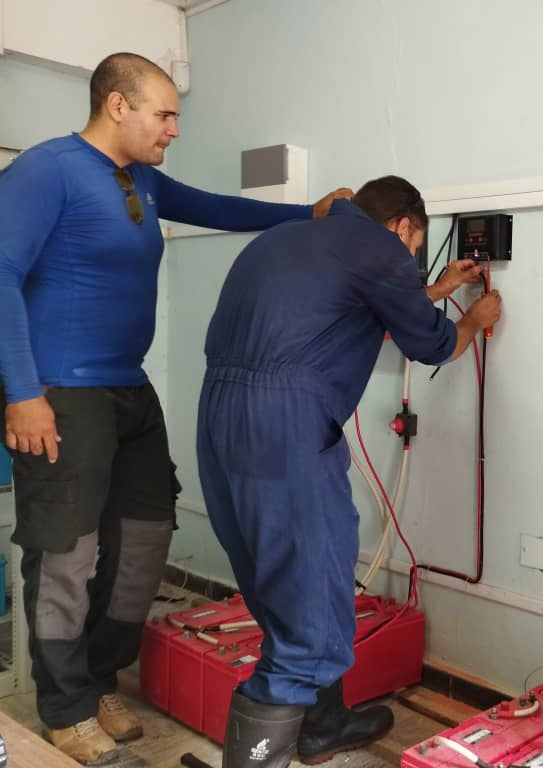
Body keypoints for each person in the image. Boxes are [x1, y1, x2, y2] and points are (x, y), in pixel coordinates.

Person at [0, 52, 350, 765]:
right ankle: (64, 708)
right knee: (66, 554)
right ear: (117, 105)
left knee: (144, 539)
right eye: (164, 114)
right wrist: (22, 394)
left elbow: (219, 208)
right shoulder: (45, 170)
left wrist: (307, 215)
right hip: (61, 391)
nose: (174, 128)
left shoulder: (143, 180)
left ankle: (99, 679)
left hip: (129, 390)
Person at [197, 175, 501, 767]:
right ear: (404, 226)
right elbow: (433, 345)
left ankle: (323, 725)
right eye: (413, 248)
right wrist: (474, 318)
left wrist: (438, 288)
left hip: (221, 417)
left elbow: (348, 306)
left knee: (279, 588)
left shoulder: (285, 238)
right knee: (313, 601)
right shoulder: (381, 250)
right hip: (286, 427)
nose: (408, 259)